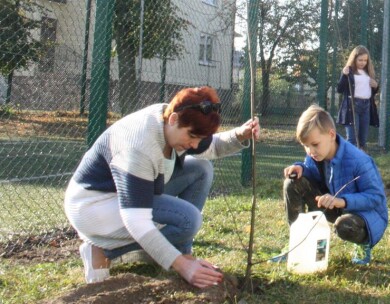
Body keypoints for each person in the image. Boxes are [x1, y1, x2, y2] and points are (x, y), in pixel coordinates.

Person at [64, 86, 260, 287]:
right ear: (174, 119)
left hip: (130, 194)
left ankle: (182, 252)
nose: (194, 145)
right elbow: (136, 221)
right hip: (94, 206)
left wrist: (240, 135)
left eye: (198, 138)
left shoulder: (173, 122)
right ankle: (103, 250)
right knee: (188, 219)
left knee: (201, 168)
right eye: (192, 137)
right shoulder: (138, 146)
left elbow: (209, 146)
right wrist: (182, 267)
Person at [282, 104, 388, 265]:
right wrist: (301, 168)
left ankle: (363, 244)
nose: (310, 151)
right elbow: (312, 173)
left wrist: (342, 201)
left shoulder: (359, 160)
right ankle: (297, 242)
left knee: (344, 226)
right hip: (334, 205)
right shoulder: (316, 154)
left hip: (366, 216)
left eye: (315, 144)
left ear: (331, 134)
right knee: (292, 183)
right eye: (305, 146)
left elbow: (376, 197)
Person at [336, 45, 379, 150]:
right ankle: (348, 161)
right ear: (354, 59)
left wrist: (376, 86)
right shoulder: (349, 71)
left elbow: (372, 91)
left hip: (366, 106)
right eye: (360, 60)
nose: (363, 62)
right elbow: (339, 89)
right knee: (352, 139)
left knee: (363, 140)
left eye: (365, 60)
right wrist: (343, 75)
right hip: (353, 106)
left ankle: (360, 162)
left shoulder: (368, 72)